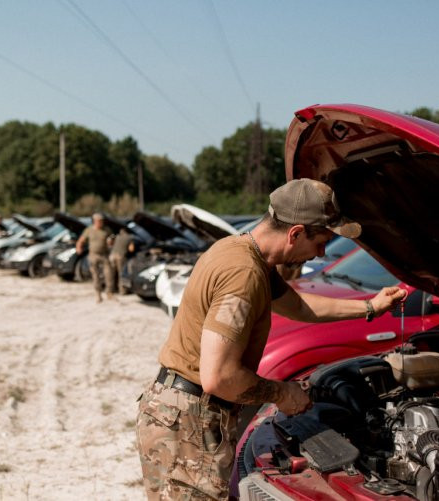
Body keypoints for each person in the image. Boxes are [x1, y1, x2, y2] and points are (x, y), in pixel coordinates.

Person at [135, 179, 408, 500]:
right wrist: (282, 393)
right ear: (295, 233)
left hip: (180, 412)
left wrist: (370, 306)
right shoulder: (243, 274)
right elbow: (219, 377)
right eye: (321, 241)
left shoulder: (245, 253)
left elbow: (299, 306)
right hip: (190, 422)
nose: (321, 252)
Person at [75, 213, 114, 302]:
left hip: (104, 255)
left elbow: (111, 240)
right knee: (95, 276)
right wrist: (79, 248)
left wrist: (111, 242)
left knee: (109, 274)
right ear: (94, 221)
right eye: (99, 221)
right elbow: (81, 240)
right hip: (93, 255)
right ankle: (98, 294)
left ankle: (109, 292)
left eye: (101, 221)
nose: (100, 222)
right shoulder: (89, 230)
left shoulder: (106, 230)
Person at [109, 227, 135, 294]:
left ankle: (110, 290)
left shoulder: (117, 236)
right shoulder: (130, 237)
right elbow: (131, 249)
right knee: (121, 273)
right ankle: (122, 291)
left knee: (111, 274)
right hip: (120, 256)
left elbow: (110, 243)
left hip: (112, 256)